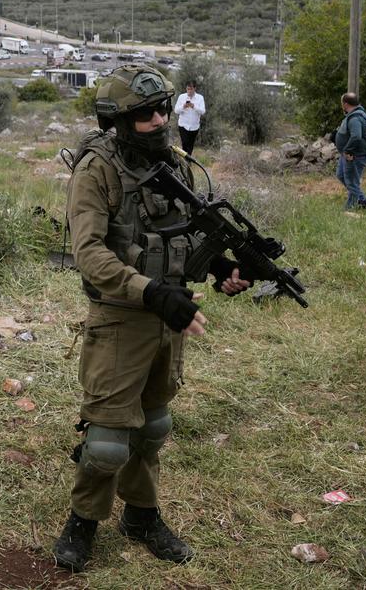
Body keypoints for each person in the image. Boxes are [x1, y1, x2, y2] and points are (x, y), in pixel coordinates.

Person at [54, 64, 250, 572]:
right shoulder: (96, 169)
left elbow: (180, 235)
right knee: (106, 441)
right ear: (118, 120)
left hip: (169, 315)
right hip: (120, 317)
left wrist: (220, 268)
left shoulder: (176, 163)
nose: (159, 119)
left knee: (154, 425)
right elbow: (90, 254)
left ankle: (141, 515)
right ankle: (83, 520)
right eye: (145, 113)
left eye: (162, 108)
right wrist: (150, 292)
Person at [334, 92, 366, 210]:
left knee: (351, 182)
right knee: (341, 175)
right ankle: (361, 199)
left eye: (342, 103)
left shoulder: (355, 117)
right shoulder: (355, 115)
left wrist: (348, 150)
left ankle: (352, 207)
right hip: (347, 154)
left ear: (345, 104)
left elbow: (356, 136)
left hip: (353, 155)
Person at [172, 80, 206, 155]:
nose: (189, 91)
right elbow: (176, 110)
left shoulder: (200, 98)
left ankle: (188, 162)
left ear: (195, 88)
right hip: (183, 125)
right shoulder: (182, 97)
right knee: (184, 144)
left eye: (191, 89)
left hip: (194, 126)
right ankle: (184, 163)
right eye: (188, 89)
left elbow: (203, 111)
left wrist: (194, 106)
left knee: (190, 146)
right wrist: (183, 106)